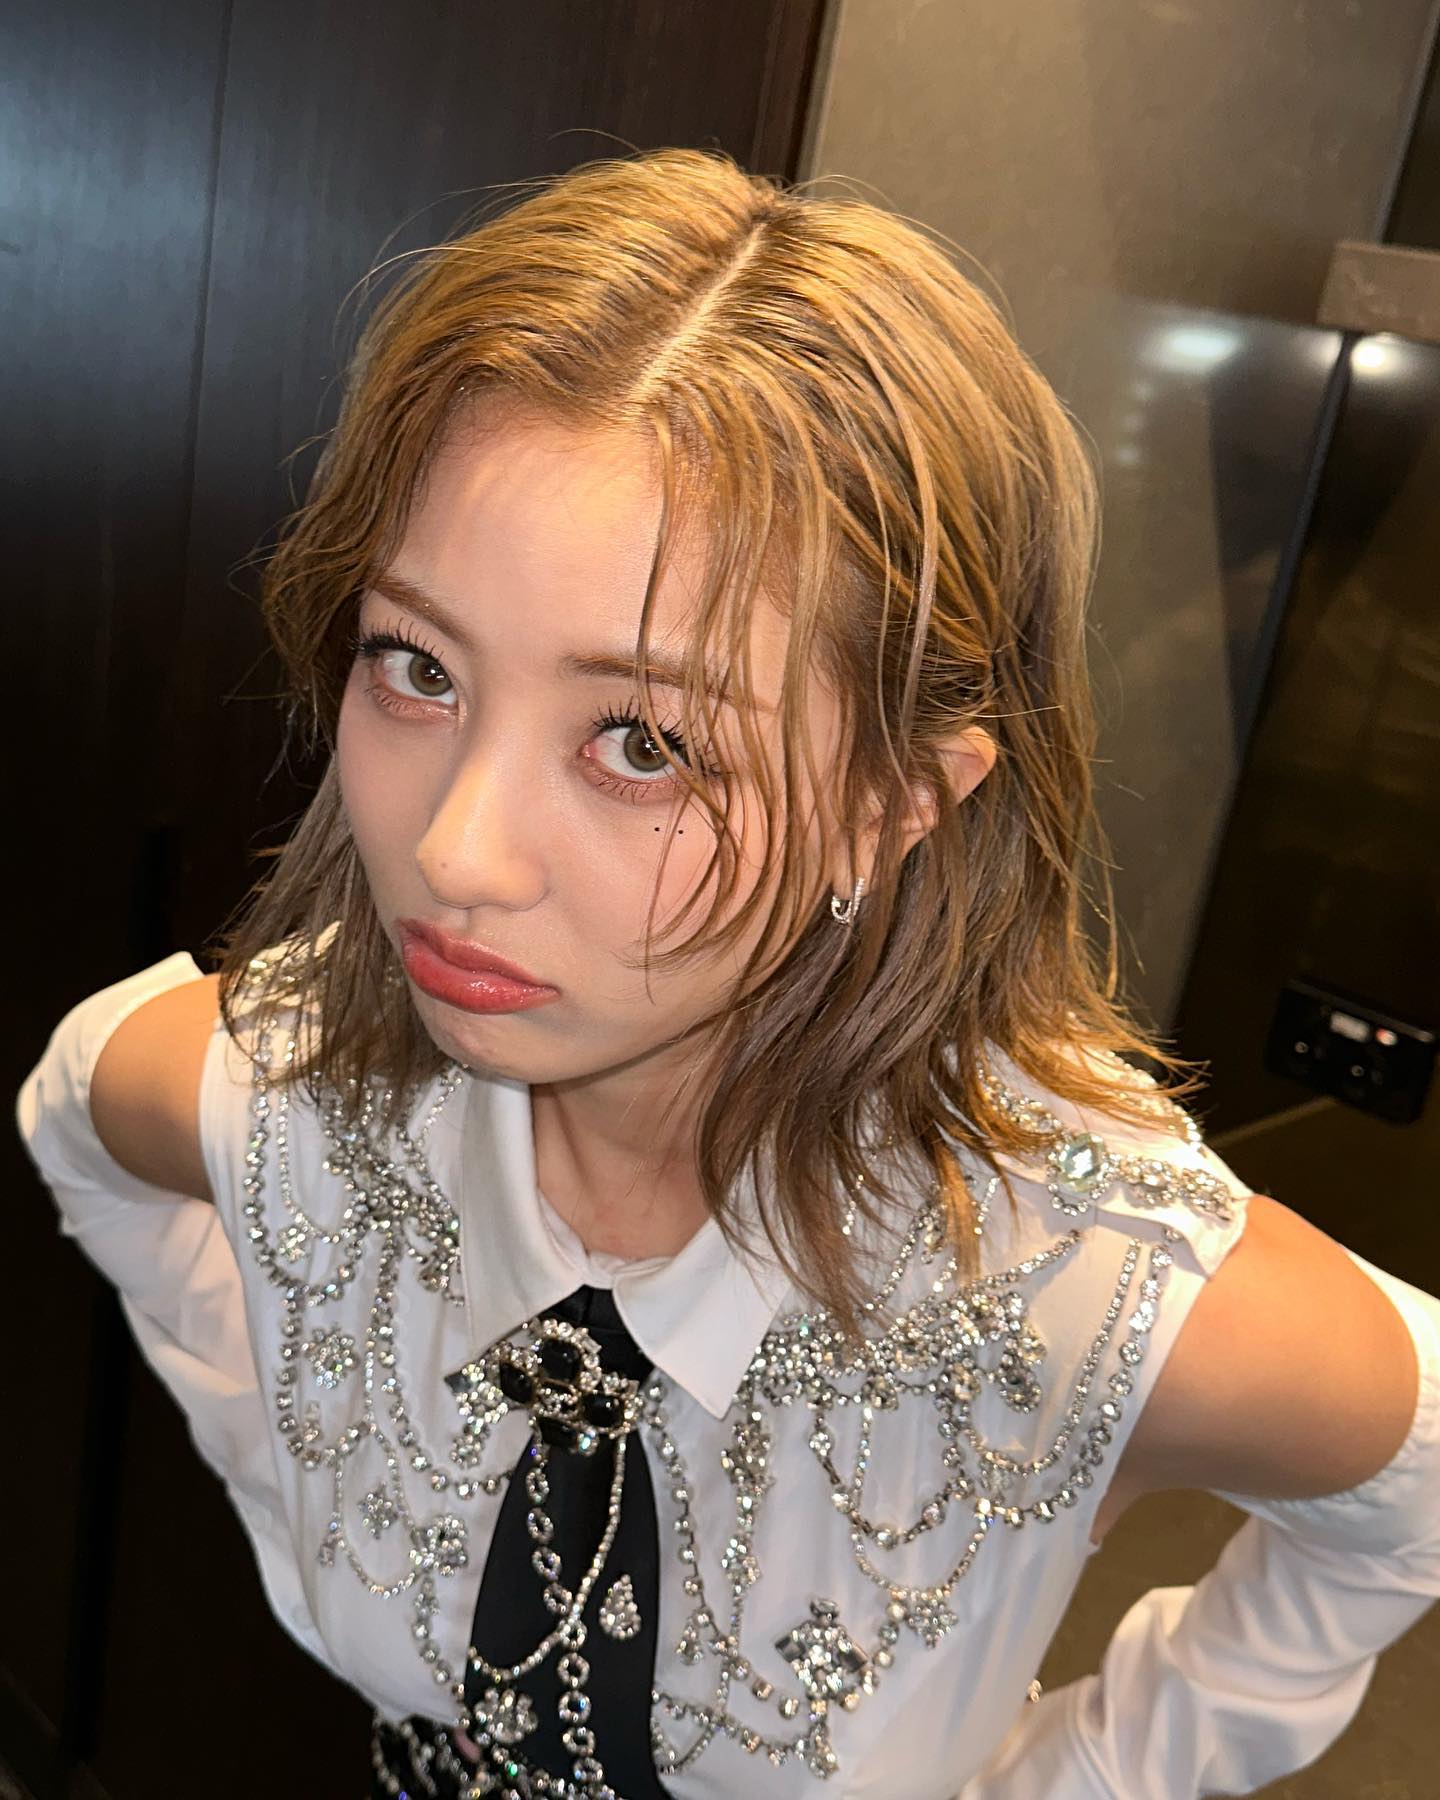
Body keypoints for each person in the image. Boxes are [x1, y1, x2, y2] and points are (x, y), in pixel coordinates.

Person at [17, 146, 1439, 1800]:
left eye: (643, 743)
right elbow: (78, 1108)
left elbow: (1415, 1479)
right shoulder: (298, 1104)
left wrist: (1100, 1772)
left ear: (894, 804)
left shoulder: (1076, 1282)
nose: (458, 851)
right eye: (417, 666)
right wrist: (294, 1443)